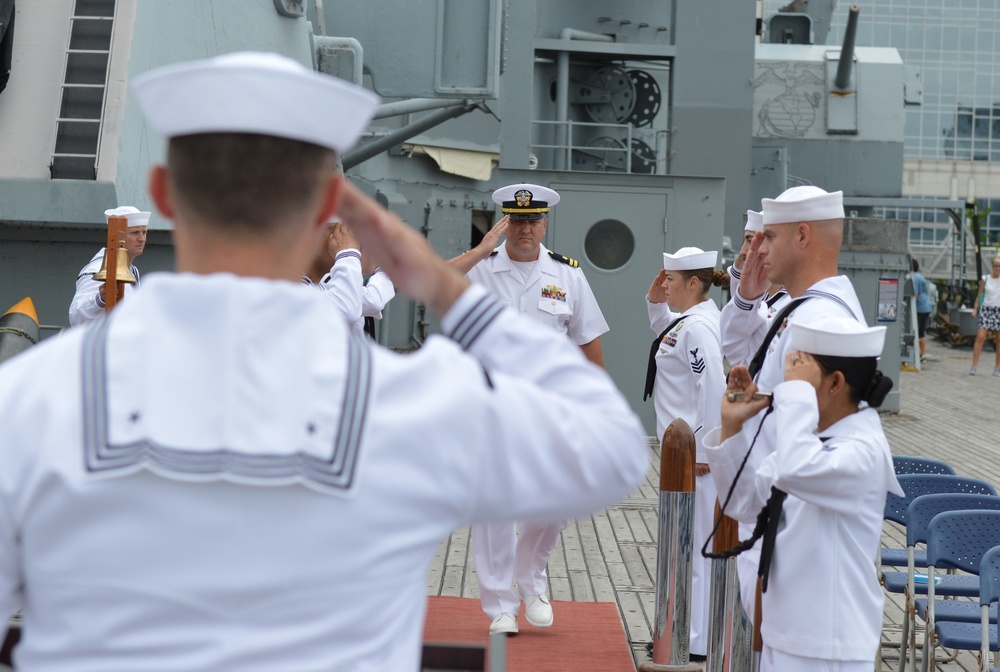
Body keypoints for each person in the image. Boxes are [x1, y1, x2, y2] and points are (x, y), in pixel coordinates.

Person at [0, 52, 650, 671]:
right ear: (328, 207)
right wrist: (441, 283)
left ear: (164, 195)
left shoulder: (29, 401)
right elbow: (614, 450)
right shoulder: (411, 403)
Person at [449, 183, 610, 635]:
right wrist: (481, 250)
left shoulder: (568, 275)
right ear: (504, 223)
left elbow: (588, 344)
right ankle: (500, 604)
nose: (525, 229)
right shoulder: (481, 272)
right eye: (516, 220)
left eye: (533, 220)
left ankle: (531, 578)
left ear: (545, 223)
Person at [705, 316, 903, 672]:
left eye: (798, 379)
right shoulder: (810, 443)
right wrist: (733, 427)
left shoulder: (863, 451)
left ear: (835, 383)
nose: (786, 388)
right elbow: (743, 503)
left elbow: (796, 470)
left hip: (828, 649)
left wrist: (792, 399)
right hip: (784, 635)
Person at [716, 185, 866, 620]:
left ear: (803, 236)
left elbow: (817, 460)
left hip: (793, 551)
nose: (757, 249)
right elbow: (740, 350)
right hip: (772, 532)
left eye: (771, 237)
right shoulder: (802, 313)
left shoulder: (823, 325)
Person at [644, 246, 728, 658]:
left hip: (693, 460)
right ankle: (685, 632)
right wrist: (654, 300)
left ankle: (697, 641)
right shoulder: (688, 321)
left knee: (695, 548)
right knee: (685, 545)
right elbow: (666, 340)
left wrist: (702, 447)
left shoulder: (698, 329)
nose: (665, 285)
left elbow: (711, 385)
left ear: (693, 284)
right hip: (681, 457)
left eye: (671, 281)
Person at [304, 218, 395, 339]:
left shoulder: (332, 283)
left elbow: (365, 300)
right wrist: (347, 254)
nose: (356, 246)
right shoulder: (291, 287)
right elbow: (348, 308)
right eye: (345, 234)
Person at [722, 209, 789, 367]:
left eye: (752, 241)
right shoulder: (760, 298)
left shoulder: (792, 302)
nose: (744, 250)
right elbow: (733, 349)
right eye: (746, 240)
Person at [68, 206, 148, 326]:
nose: (141, 239)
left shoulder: (132, 270)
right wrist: (100, 300)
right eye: (135, 233)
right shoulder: (96, 270)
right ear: (117, 237)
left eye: (144, 232)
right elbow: (76, 315)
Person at [970, 255, 1000, 376]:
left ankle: (997, 367)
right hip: (986, 310)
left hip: (998, 310)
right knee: (980, 337)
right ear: (992, 267)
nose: (998, 268)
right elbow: (980, 294)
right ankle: (974, 365)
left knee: (999, 340)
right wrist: (975, 309)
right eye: (996, 266)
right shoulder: (985, 278)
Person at [911, 258, 933, 362]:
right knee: (922, 331)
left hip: (920, 307)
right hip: (927, 306)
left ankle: (916, 354)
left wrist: (911, 307)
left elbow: (915, 294)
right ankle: (922, 354)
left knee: (916, 330)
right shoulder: (921, 277)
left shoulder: (914, 278)